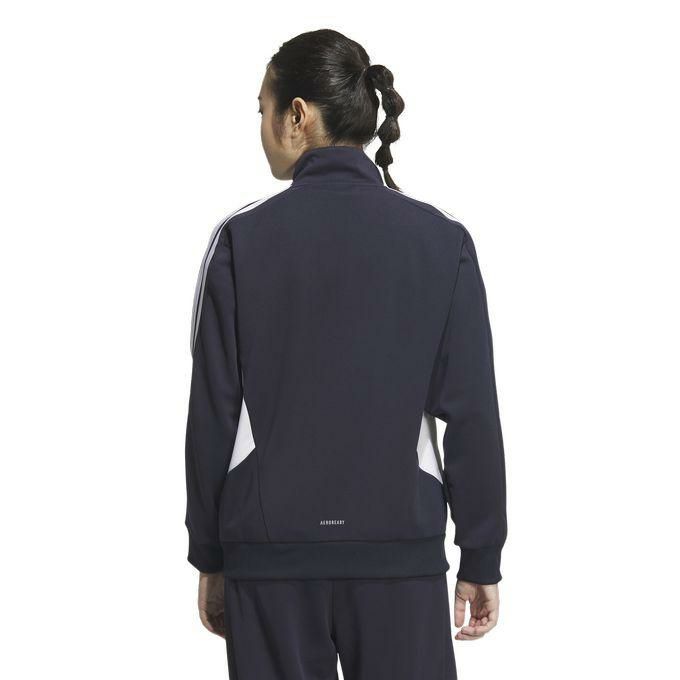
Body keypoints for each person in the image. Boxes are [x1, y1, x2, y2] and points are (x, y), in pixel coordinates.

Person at [184, 28, 507, 680]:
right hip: (400, 562)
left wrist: (210, 556)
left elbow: (212, 416)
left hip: (269, 565)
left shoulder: (240, 242)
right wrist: (480, 556)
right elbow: (472, 412)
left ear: (297, 115)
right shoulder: (441, 242)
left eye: (263, 110)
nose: (262, 128)